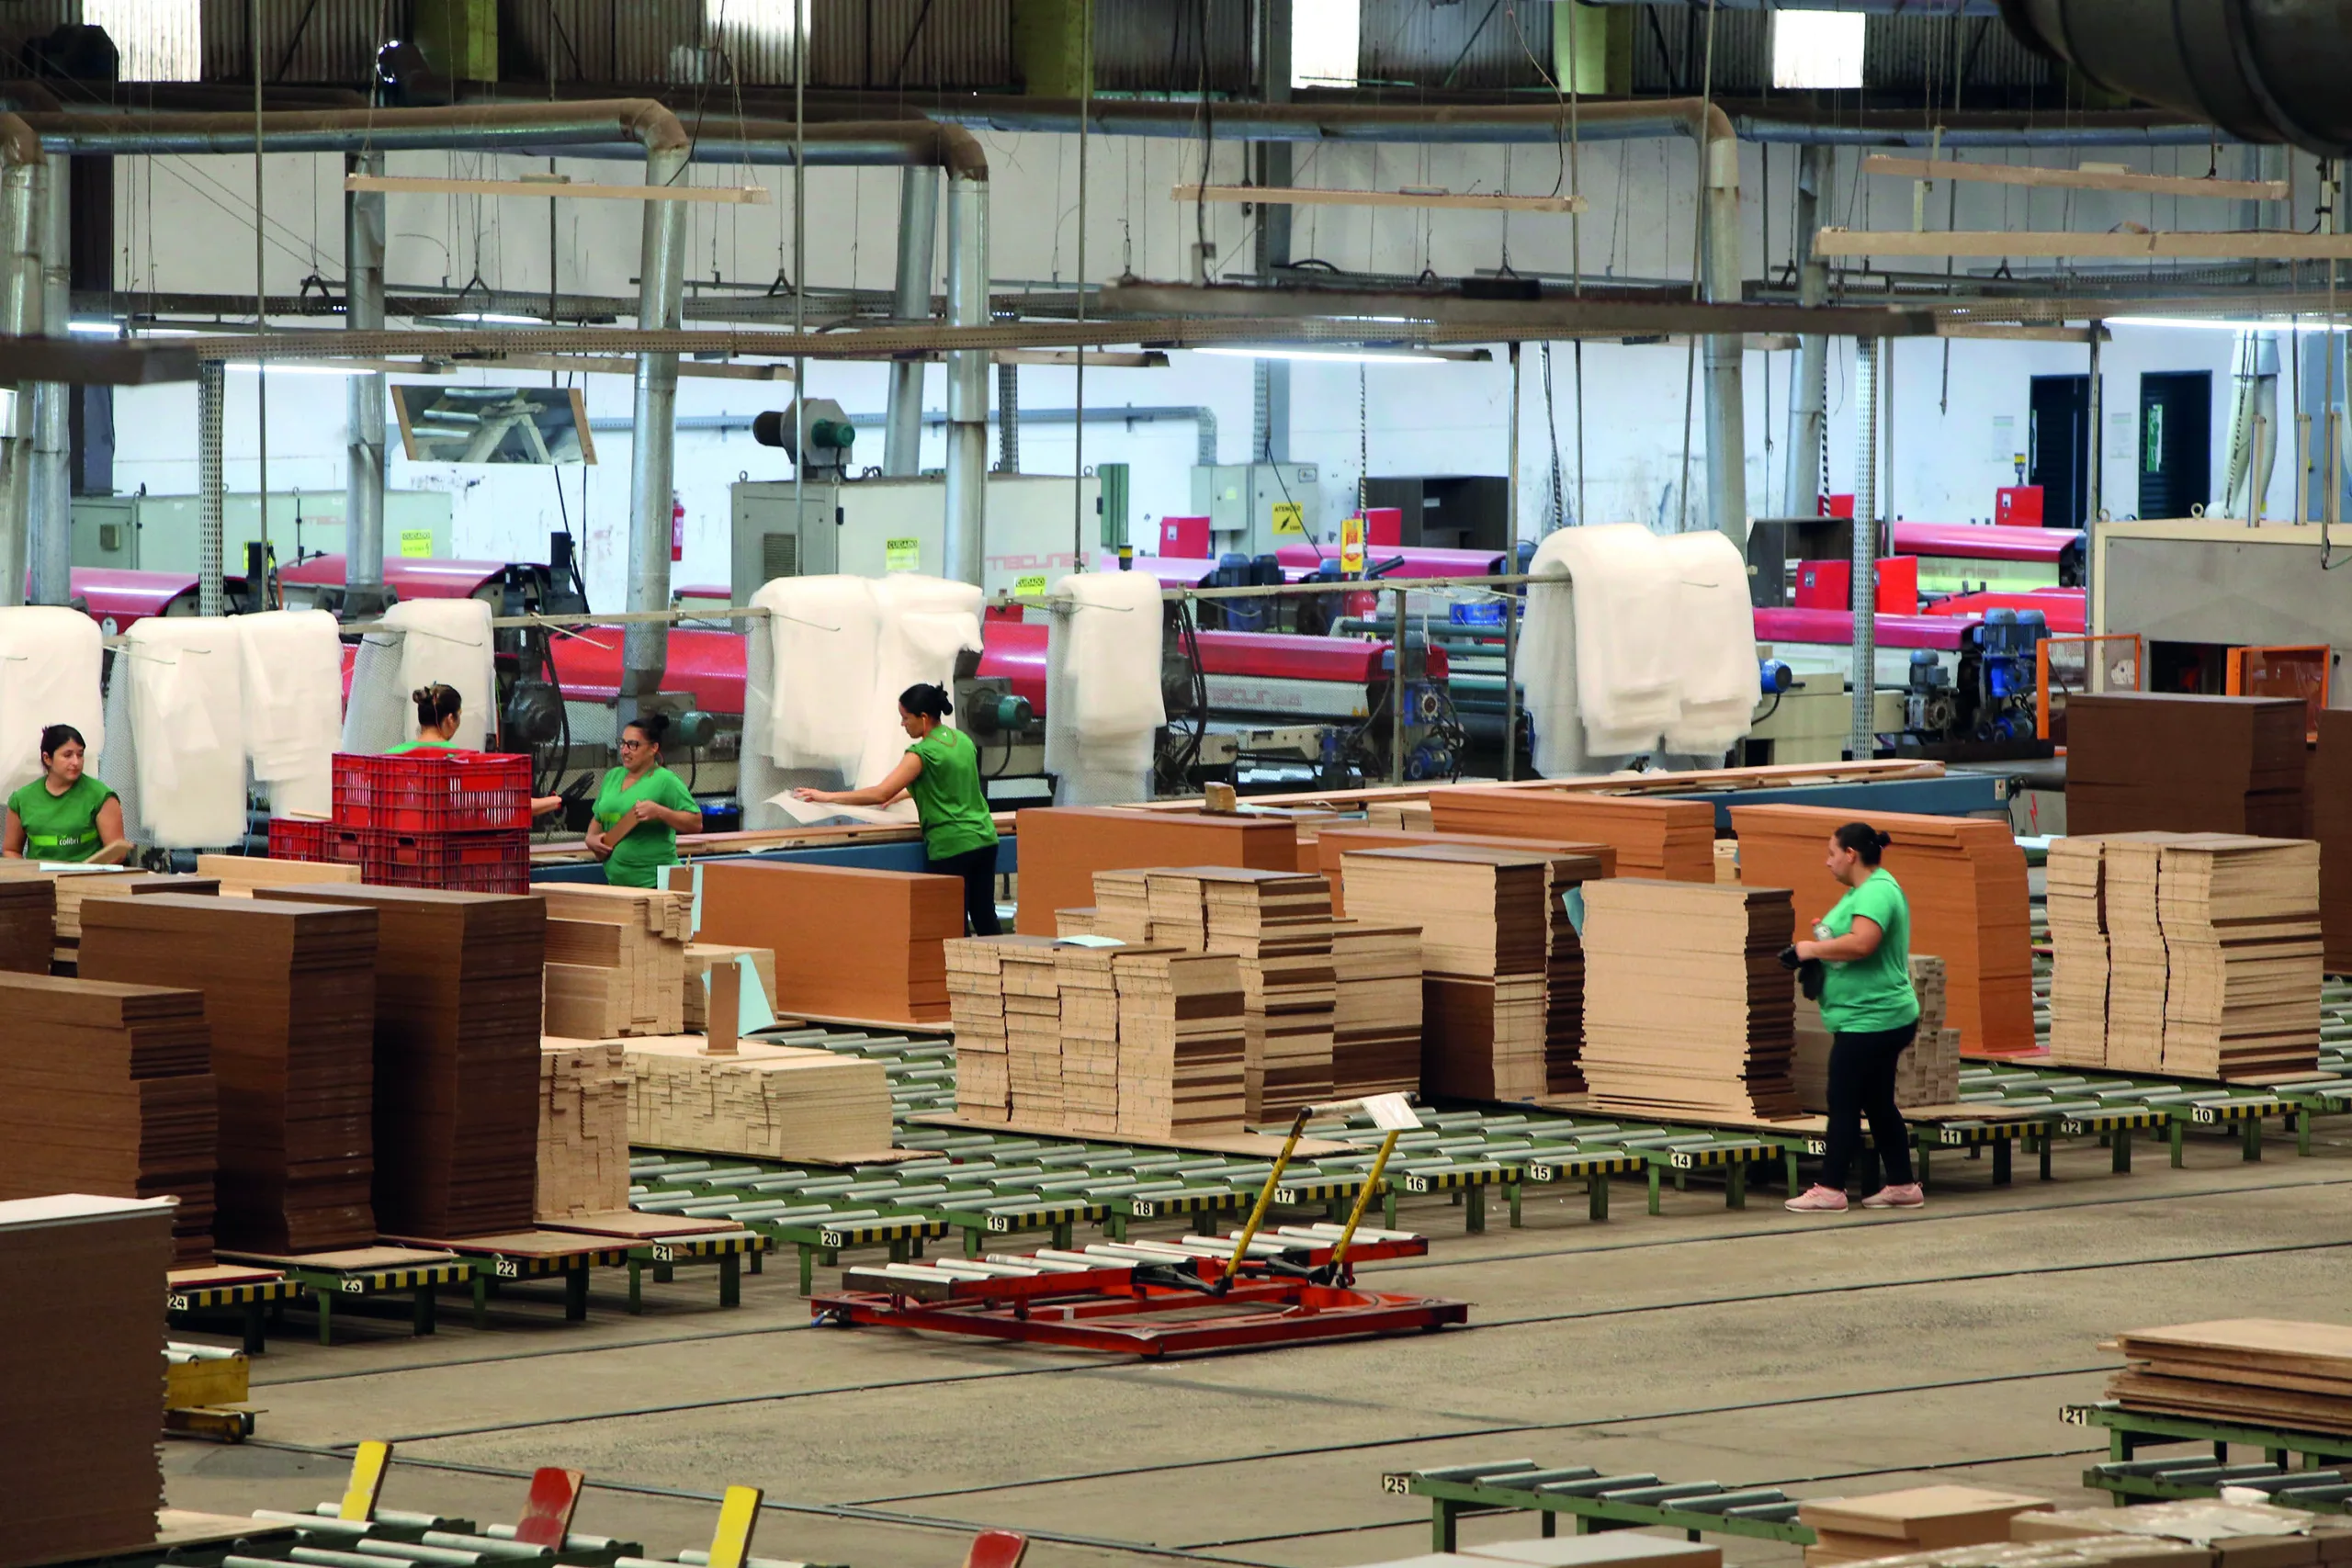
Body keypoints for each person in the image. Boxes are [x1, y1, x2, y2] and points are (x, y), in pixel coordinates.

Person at [1784, 821, 1924, 1213]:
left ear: (1850, 854)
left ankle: (1830, 1189)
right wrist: (1822, 944)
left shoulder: (1877, 892)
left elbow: (1863, 943)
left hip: (1872, 1019)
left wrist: (1812, 950)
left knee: (1843, 1099)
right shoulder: (1864, 891)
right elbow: (1849, 937)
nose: (1827, 862)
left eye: (1831, 854)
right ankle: (1902, 1184)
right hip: (1873, 1016)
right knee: (1877, 1101)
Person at [793, 682, 1001, 936]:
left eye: (905, 719)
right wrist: (905, 792)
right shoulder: (962, 741)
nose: (903, 725)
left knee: (953, 924)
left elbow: (880, 792)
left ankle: (957, 975)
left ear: (923, 718)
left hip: (952, 846)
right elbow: (947, 781)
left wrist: (826, 796)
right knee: (985, 917)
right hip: (985, 840)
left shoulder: (922, 753)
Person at [389, 682, 564, 818]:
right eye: (459, 715)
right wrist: (554, 801)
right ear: (451, 719)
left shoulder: (392, 757)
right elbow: (506, 804)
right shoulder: (460, 761)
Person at [586, 714, 703, 889]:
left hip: (656, 885)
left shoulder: (666, 780)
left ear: (653, 748)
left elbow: (696, 823)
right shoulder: (612, 777)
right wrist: (590, 839)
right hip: (618, 886)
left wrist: (660, 812)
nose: (625, 751)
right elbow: (599, 816)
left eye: (633, 745)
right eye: (622, 743)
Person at [3, 724, 130, 864]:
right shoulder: (22, 799)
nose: (76, 762)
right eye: (67, 755)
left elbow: (117, 852)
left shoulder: (101, 796)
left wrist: (82, 876)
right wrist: (31, 876)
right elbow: (11, 850)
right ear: (47, 758)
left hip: (89, 881)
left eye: (80, 755)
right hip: (40, 882)